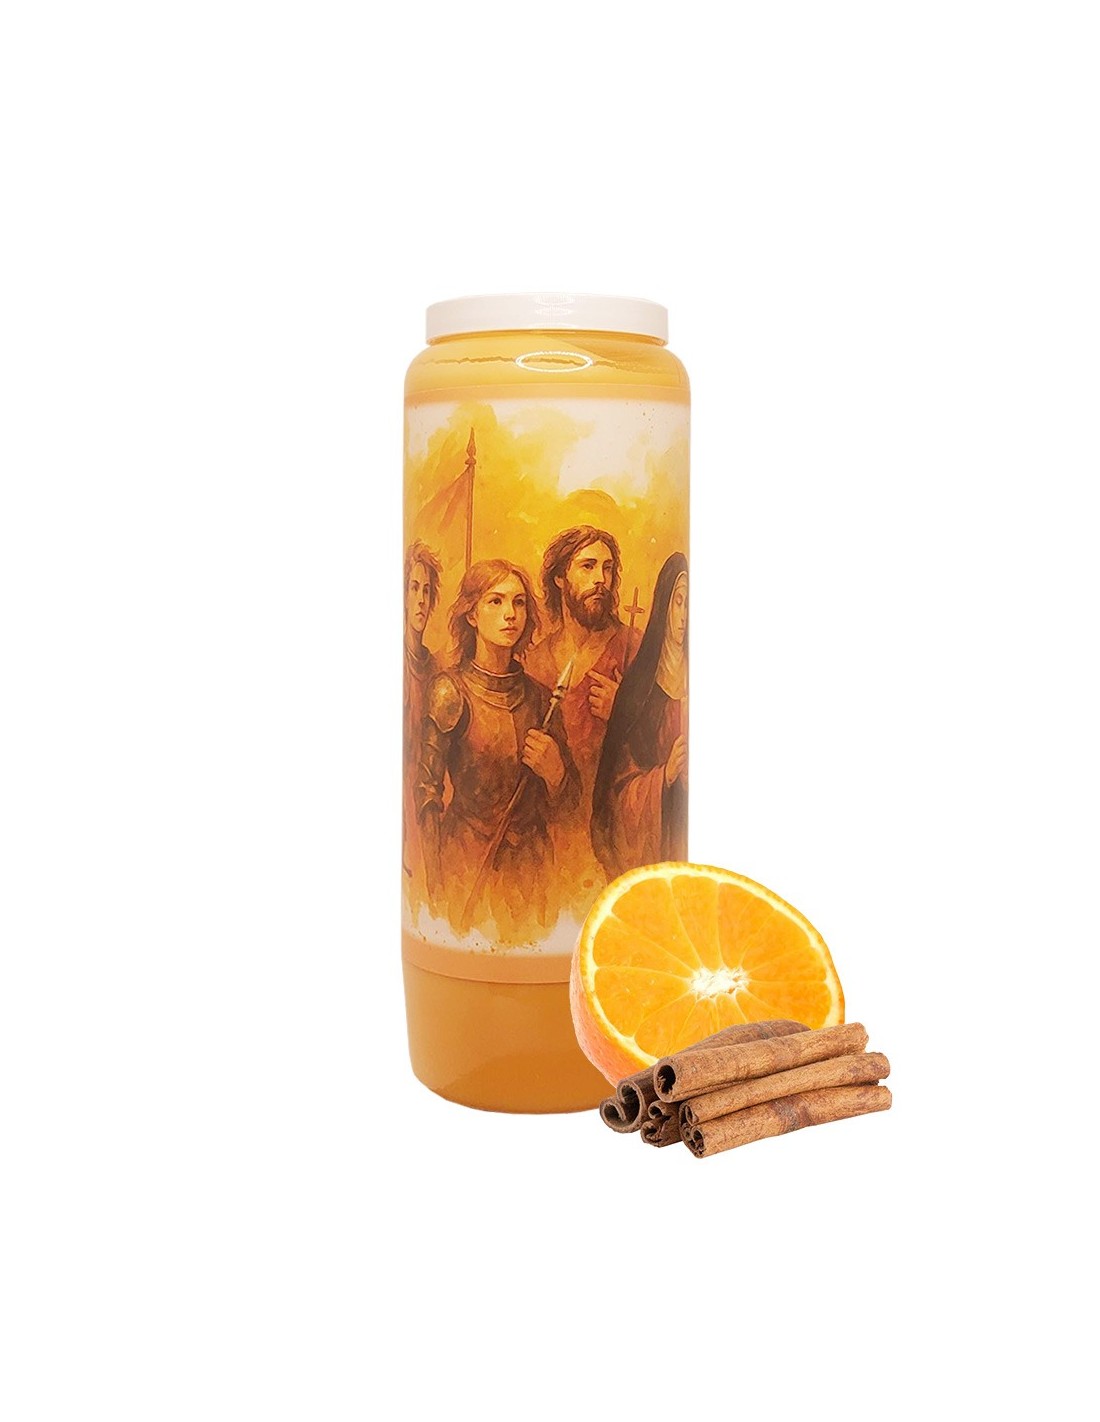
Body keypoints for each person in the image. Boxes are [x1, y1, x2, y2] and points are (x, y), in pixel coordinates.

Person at [416, 559, 578, 940]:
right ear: (472, 614)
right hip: (467, 865)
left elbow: (571, 805)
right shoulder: (449, 692)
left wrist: (555, 773)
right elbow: (427, 794)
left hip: (531, 874)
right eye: (496, 601)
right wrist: (435, 886)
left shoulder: (541, 700)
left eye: (519, 602)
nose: (510, 614)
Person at [525, 526, 640, 893]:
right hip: (545, 853)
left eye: (607, 568)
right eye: (588, 567)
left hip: (609, 847)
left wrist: (624, 714)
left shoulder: (633, 650)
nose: (600, 579)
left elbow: (665, 753)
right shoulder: (534, 661)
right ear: (560, 577)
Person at [591, 552, 688, 880]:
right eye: (678, 602)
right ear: (664, 606)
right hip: (655, 836)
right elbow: (616, 793)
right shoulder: (638, 690)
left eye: (691, 604)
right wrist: (665, 776)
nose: (685, 616)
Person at [402, 541, 443, 889]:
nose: (420, 600)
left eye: (426, 591)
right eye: (413, 588)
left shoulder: (435, 669)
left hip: (427, 790)